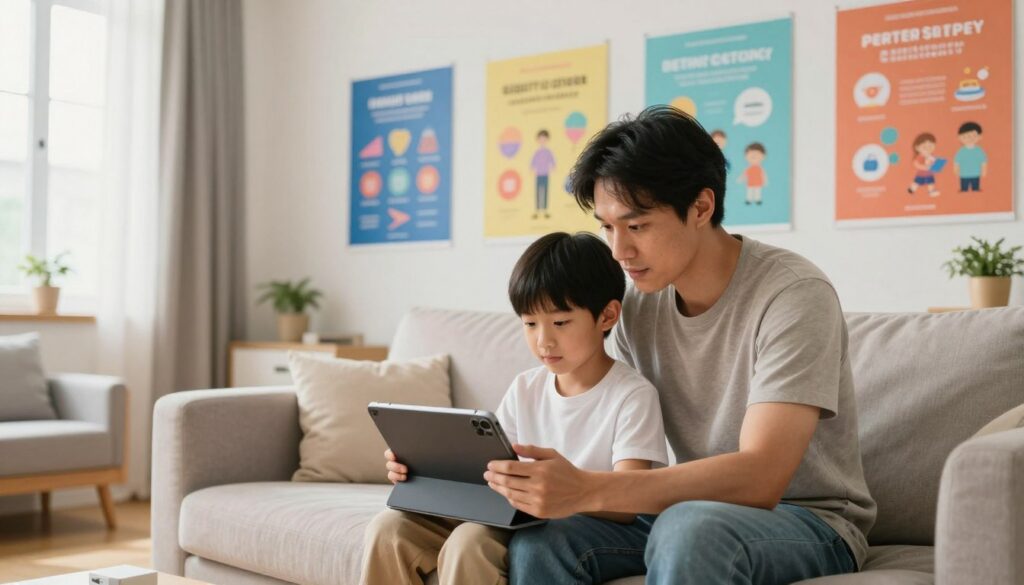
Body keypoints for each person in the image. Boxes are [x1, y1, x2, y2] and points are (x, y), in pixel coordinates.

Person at [485, 105, 876, 585]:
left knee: (687, 528)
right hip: (685, 509)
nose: (618, 251)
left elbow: (762, 477)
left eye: (637, 225)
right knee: (546, 540)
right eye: (607, 227)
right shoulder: (635, 306)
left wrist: (587, 489)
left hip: (808, 519)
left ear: (701, 207)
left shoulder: (793, 295)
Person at [360, 231, 668, 585]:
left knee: (469, 543)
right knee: (388, 529)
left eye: (561, 322)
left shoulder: (631, 395)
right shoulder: (526, 387)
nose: (543, 340)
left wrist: (571, 488)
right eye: (530, 323)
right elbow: (491, 467)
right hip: (514, 510)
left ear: (607, 316)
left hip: (579, 521)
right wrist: (422, 470)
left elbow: (628, 506)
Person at [953, 121, 987, 192]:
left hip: (976, 174)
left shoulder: (979, 151)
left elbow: (983, 162)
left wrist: (984, 171)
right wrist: (956, 171)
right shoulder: (961, 151)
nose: (969, 139)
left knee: (976, 189)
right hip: (964, 174)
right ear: (959, 138)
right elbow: (956, 162)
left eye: (973, 136)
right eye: (966, 136)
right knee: (964, 190)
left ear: (979, 137)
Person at [531, 129, 556, 219]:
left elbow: (552, 160)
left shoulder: (548, 152)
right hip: (538, 175)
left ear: (547, 140)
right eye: (540, 139)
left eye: (544, 139)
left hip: (545, 174)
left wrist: (553, 166)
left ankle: (545, 210)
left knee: (545, 192)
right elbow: (533, 162)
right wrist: (532, 168)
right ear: (538, 140)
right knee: (538, 192)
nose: (542, 141)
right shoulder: (537, 152)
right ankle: (537, 210)